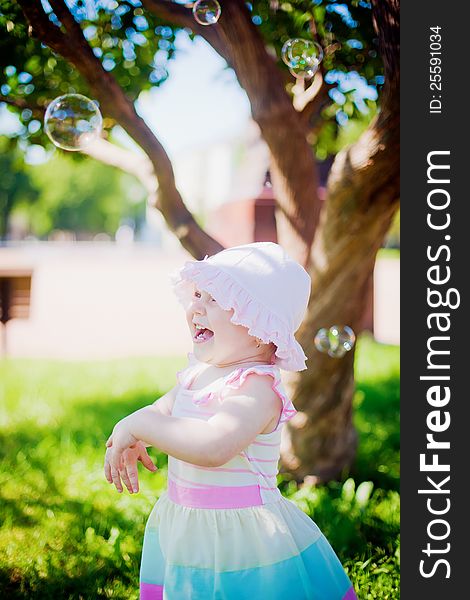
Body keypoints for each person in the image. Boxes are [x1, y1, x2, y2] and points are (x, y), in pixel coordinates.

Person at [104, 242, 357, 600]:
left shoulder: (258, 389)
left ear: (258, 326)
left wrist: (140, 426)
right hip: (188, 530)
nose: (196, 307)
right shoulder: (198, 374)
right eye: (196, 295)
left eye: (214, 300)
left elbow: (214, 445)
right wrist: (132, 432)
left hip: (241, 542)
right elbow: (163, 412)